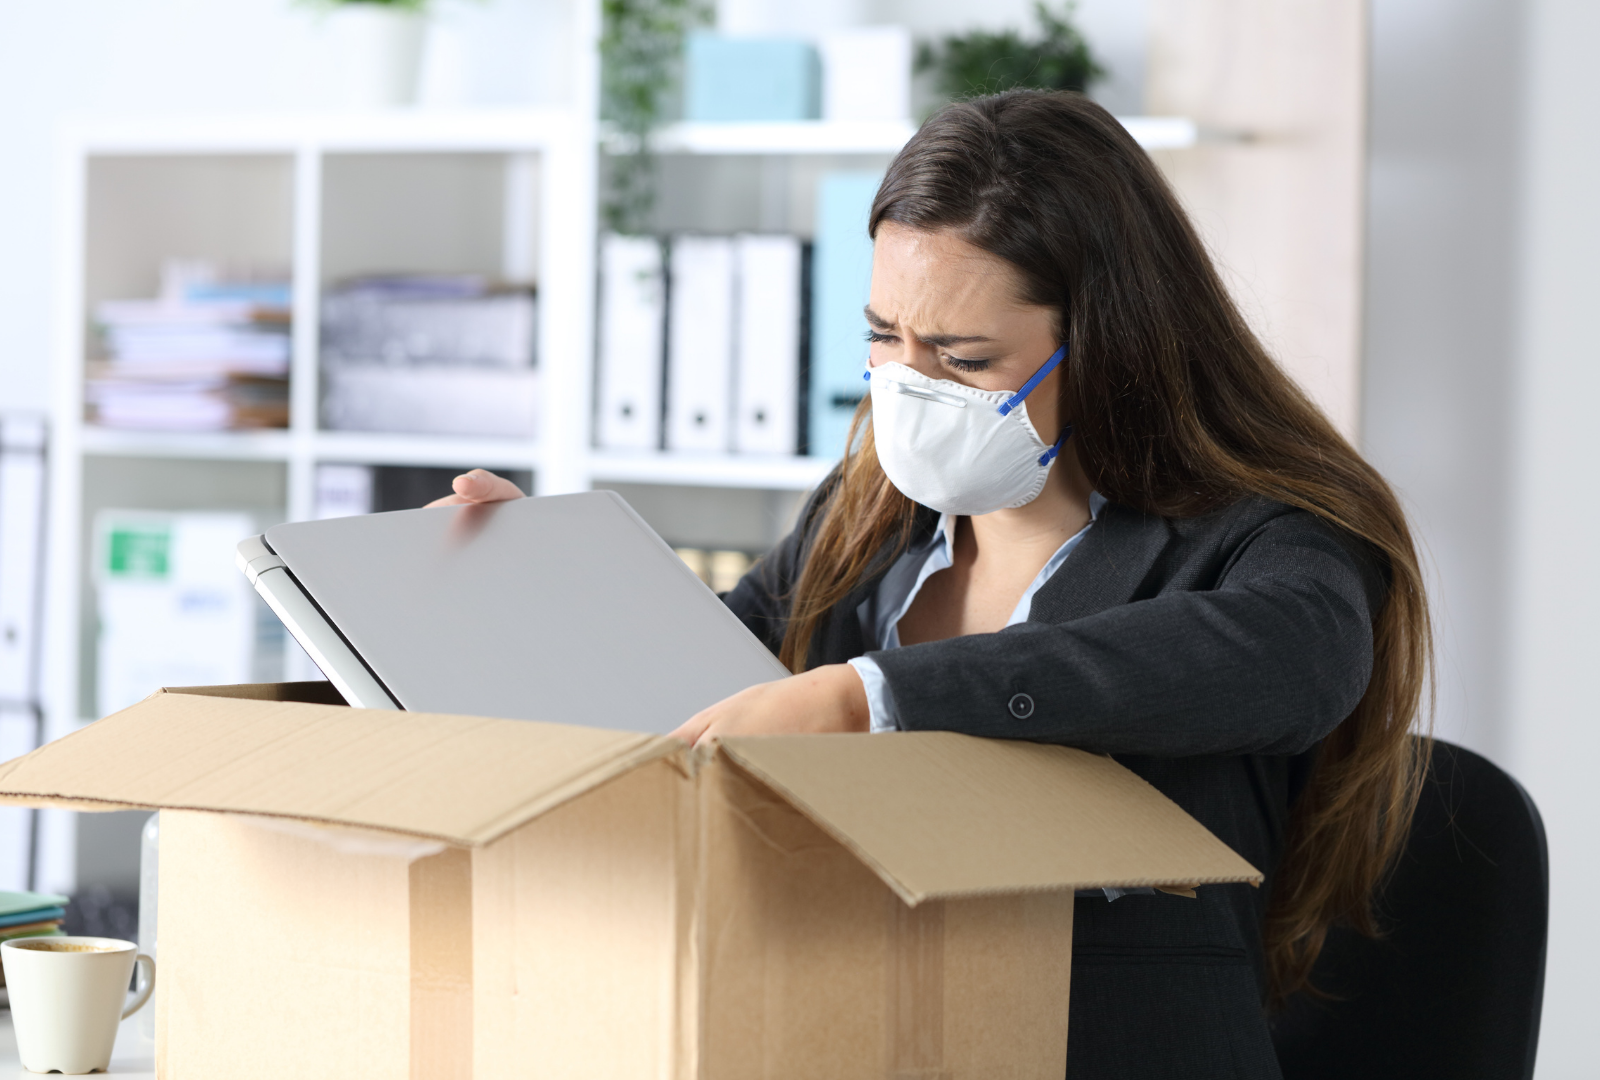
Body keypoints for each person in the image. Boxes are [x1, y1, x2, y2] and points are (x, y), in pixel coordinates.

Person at [435, 90, 1431, 1080]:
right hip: (833, 1029)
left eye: (961, 356)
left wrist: (874, 700)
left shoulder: (1256, 534)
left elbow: (1302, 656)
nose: (908, 383)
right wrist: (543, 587)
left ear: (1111, 340)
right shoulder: (869, 515)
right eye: (883, 336)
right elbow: (709, 685)